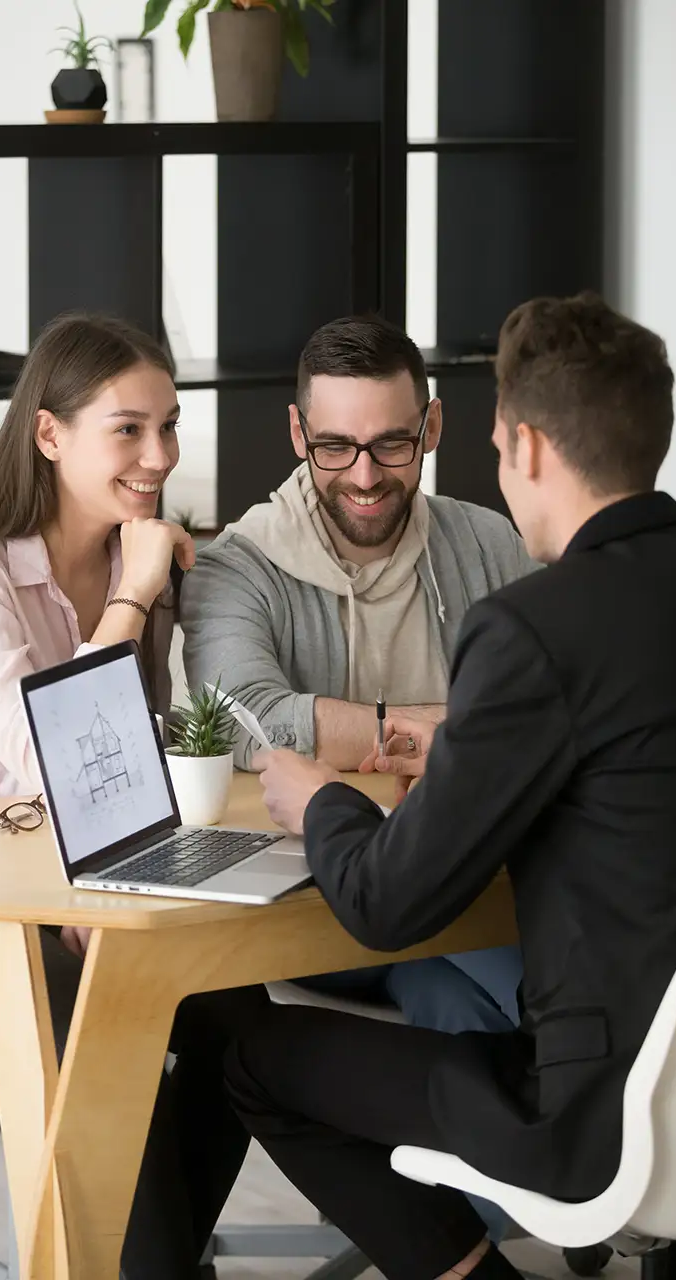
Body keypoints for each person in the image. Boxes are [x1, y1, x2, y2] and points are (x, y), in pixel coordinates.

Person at [227, 293, 676, 1280]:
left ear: (529, 446)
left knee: (253, 1060)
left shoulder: (536, 627)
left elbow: (386, 900)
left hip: (592, 1109)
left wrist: (317, 795)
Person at [0, 312, 269, 1280]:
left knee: (249, 1022)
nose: (159, 454)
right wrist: (133, 598)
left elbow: (146, 761)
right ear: (49, 434)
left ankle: (145, 1260)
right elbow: (58, 756)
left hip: (82, 884)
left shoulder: (137, 556)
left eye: (169, 426)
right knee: (110, 1025)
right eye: (128, 428)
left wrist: (115, 888)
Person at [180, 314, 527, 1096]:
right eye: (336, 446)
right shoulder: (237, 565)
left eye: (392, 444)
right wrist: (443, 729)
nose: (365, 476)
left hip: (468, 883)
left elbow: (551, 706)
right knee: (530, 985)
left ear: (431, 426)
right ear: (299, 433)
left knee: (450, 996)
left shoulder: (489, 544)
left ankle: (491, 1212)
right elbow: (247, 716)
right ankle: (605, 1126)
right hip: (319, 901)